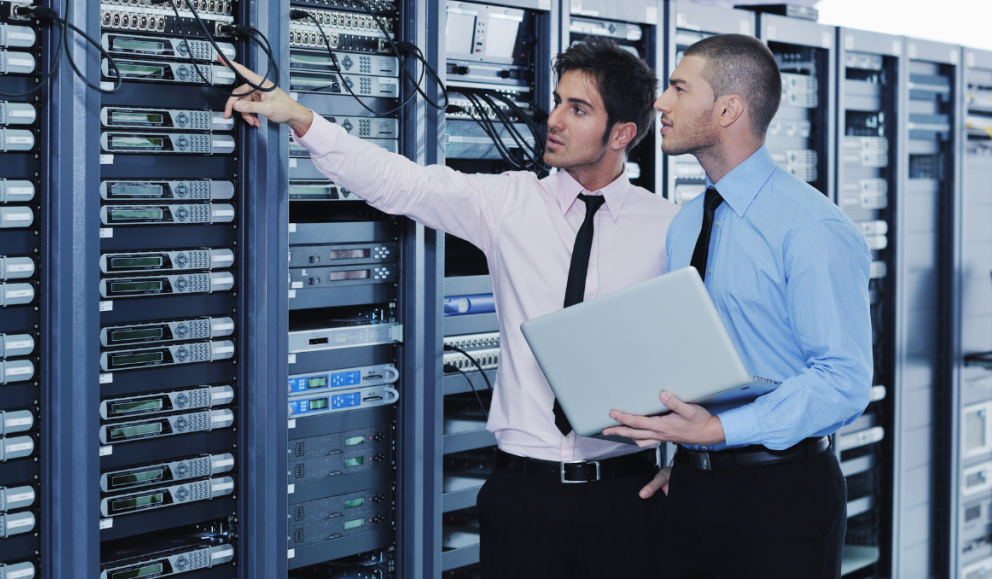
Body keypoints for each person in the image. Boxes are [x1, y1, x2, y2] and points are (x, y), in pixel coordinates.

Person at [223, 38, 679, 578]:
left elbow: (700, 357)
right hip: (524, 493)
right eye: (557, 102)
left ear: (622, 133)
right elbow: (400, 183)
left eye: (578, 110)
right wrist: (299, 116)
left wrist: (691, 463)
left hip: (630, 496)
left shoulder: (670, 226)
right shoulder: (509, 202)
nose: (554, 120)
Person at [603, 33, 873, 579]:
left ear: (728, 109)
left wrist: (720, 434)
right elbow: (704, 360)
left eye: (679, 88)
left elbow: (844, 381)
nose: (660, 102)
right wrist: (692, 455)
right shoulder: (687, 223)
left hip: (782, 494)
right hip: (694, 485)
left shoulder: (811, 227)